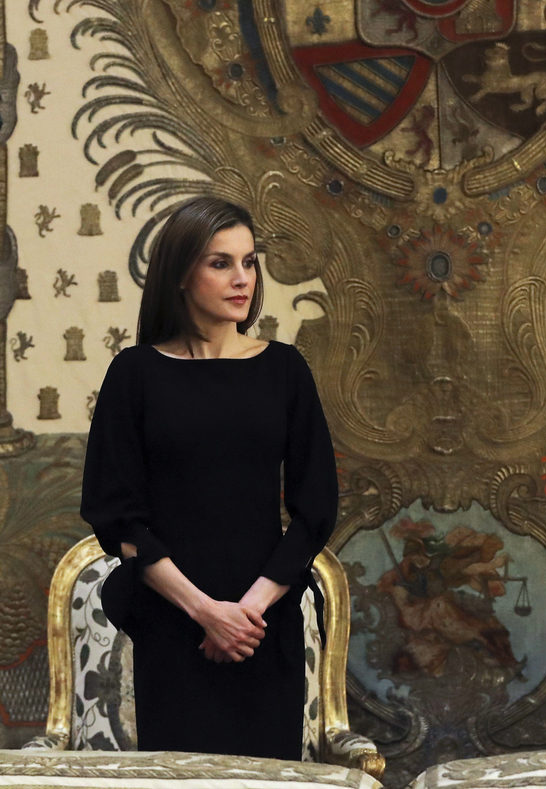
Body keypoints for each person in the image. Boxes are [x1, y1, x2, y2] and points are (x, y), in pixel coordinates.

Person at [81, 197, 338, 759]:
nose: (242, 278)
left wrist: (248, 612)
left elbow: (315, 507)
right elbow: (116, 513)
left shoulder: (285, 369)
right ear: (179, 274)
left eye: (249, 263)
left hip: (263, 629)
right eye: (220, 263)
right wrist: (205, 612)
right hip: (173, 628)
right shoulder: (135, 374)